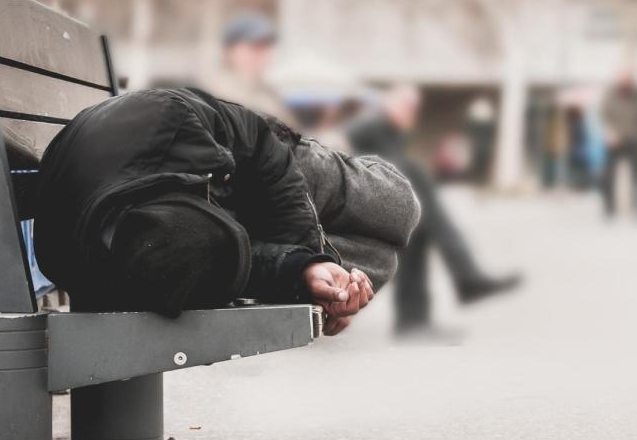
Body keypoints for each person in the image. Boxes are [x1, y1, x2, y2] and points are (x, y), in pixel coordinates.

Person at [34, 87, 420, 336]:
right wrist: (304, 277)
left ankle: (360, 177)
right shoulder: (156, 264)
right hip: (173, 212)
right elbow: (235, 264)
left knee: (399, 207)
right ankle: (329, 276)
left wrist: (306, 254)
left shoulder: (169, 122)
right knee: (379, 259)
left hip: (250, 165)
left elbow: (258, 139)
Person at [347, 85, 521, 336]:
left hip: (388, 202)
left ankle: (416, 319)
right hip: (366, 203)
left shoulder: (391, 132)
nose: (411, 113)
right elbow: (369, 163)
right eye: (407, 106)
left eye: (414, 108)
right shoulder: (371, 126)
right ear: (389, 104)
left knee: (419, 230)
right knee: (419, 194)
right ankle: (464, 277)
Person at [600, 70, 637, 218]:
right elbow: (604, 115)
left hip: (634, 140)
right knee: (608, 175)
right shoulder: (611, 95)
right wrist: (610, 132)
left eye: (629, 80)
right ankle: (609, 207)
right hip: (615, 140)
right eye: (624, 80)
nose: (627, 83)